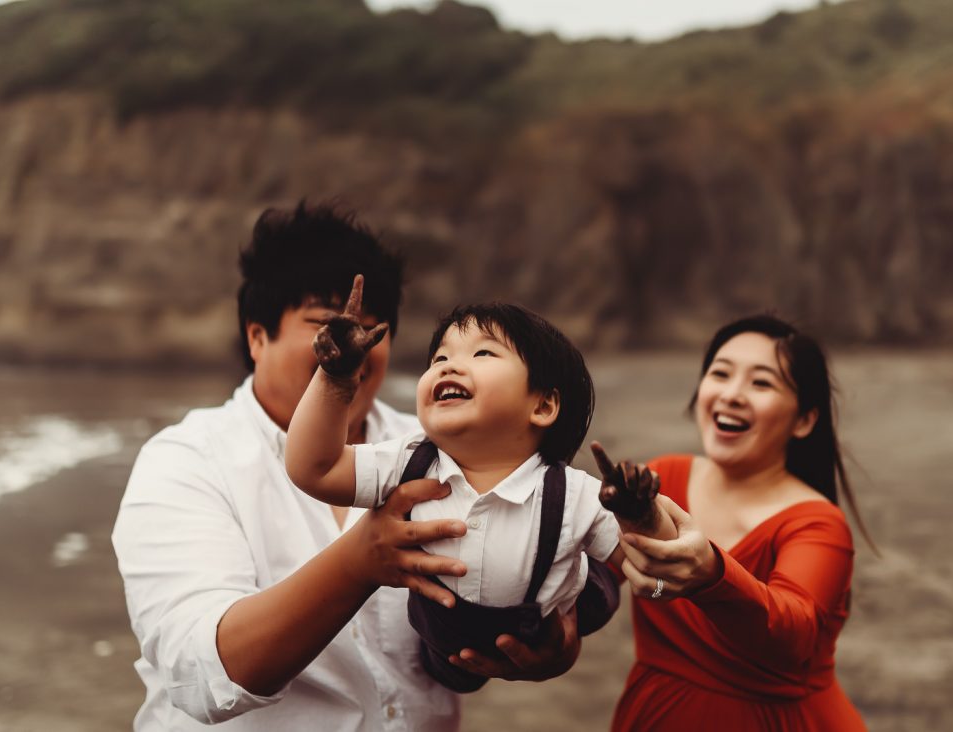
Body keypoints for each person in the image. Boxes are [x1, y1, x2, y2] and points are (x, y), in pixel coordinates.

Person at [111, 202, 581, 731]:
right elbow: (202, 674)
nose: (354, 343)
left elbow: (551, 550)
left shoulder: (440, 448)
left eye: (373, 328)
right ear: (256, 336)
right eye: (327, 325)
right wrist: (356, 565)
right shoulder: (186, 460)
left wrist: (555, 644)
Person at [285, 292, 676, 692]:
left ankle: (584, 587)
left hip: (545, 617)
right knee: (449, 670)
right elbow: (316, 469)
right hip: (446, 634)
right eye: (439, 358)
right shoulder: (408, 460)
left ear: (542, 406)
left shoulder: (572, 493)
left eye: (483, 354)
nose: (450, 365)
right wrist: (336, 379)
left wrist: (639, 515)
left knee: (595, 594)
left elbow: (657, 569)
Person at [608, 315, 871, 731]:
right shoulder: (662, 481)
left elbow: (794, 633)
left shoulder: (818, 523)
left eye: (761, 383)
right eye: (720, 374)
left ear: (803, 420)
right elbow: (587, 582)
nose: (732, 394)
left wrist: (714, 575)